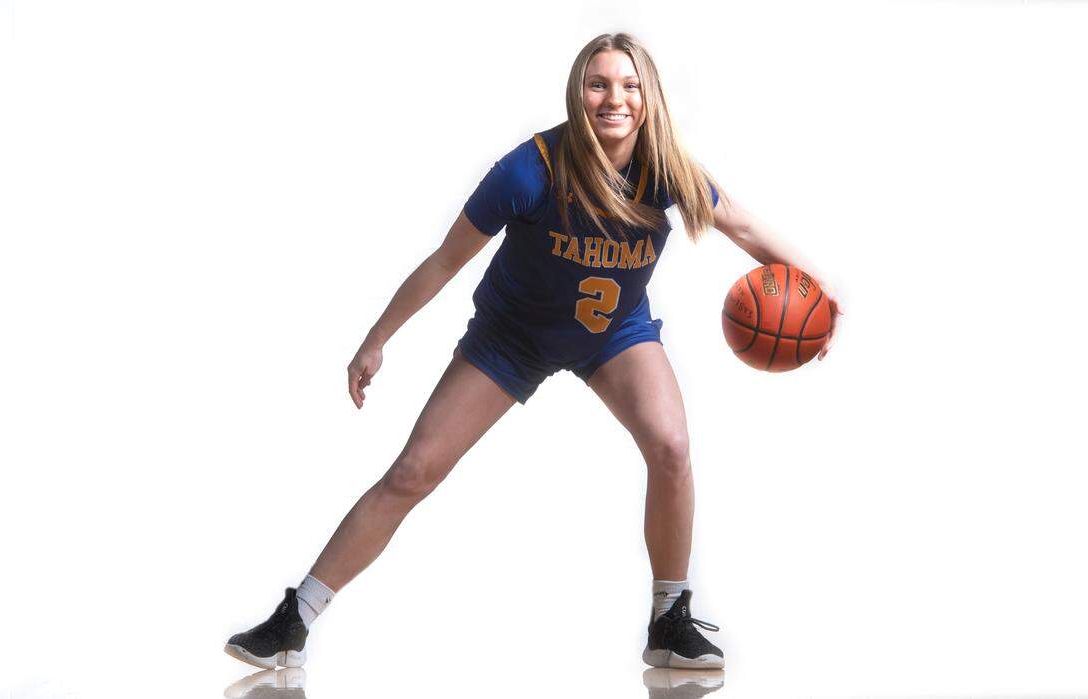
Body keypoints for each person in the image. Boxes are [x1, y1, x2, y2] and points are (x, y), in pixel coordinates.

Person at [224, 31, 843, 672]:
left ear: (650, 95)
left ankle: (669, 619)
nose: (615, 98)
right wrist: (377, 339)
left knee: (673, 447)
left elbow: (738, 222)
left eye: (630, 85)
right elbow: (443, 262)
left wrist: (819, 300)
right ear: (578, 92)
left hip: (613, 333)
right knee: (413, 472)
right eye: (598, 83)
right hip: (511, 338)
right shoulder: (531, 169)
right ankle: (294, 619)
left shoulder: (665, 169)